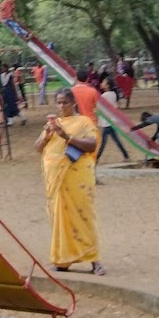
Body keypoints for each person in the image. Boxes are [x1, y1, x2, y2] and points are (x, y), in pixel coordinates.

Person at [35, 89, 104, 275]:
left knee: (83, 215)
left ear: (73, 103)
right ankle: (62, 261)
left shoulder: (83, 122)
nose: (61, 106)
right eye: (58, 102)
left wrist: (67, 137)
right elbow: (37, 147)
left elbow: (91, 145)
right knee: (60, 219)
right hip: (56, 181)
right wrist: (48, 136)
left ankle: (94, 259)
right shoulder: (53, 124)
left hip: (77, 177)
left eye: (64, 102)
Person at [95, 75, 130, 163]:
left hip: (108, 121)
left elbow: (98, 105)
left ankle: (97, 158)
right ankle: (126, 156)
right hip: (111, 120)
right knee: (115, 139)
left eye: (104, 82)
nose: (101, 83)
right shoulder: (113, 94)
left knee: (103, 141)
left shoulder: (105, 95)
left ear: (107, 85)